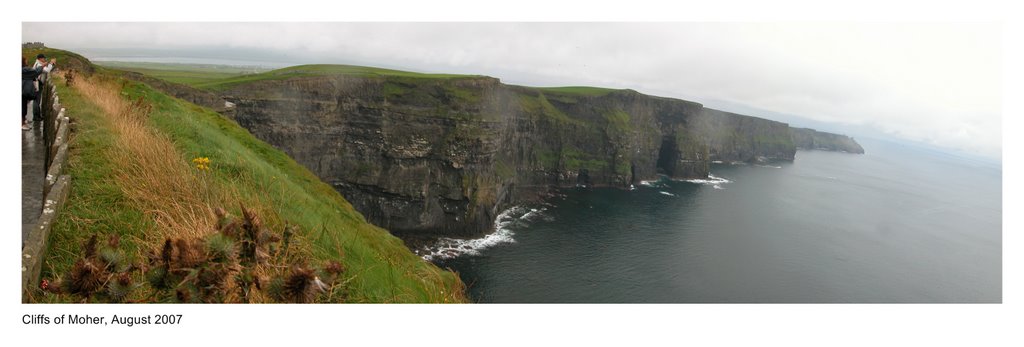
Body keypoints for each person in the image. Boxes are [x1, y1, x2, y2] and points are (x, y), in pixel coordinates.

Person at [22, 56, 47, 130]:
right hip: (23, 90)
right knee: (22, 106)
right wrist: (42, 66)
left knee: (23, 105)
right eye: (26, 60)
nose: (27, 61)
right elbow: (35, 72)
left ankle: (23, 122)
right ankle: (22, 124)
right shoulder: (24, 70)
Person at [30, 54, 56, 122]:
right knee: (36, 101)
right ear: (40, 58)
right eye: (44, 58)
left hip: (37, 83)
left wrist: (51, 64)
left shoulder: (38, 64)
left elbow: (47, 70)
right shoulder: (38, 65)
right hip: (37, 84)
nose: (45, 59)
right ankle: (36, 117)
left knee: (37, 101)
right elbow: (47, 70)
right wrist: (51, 63)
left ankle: (37, 116)